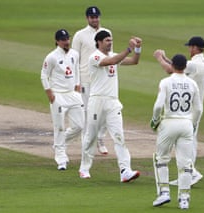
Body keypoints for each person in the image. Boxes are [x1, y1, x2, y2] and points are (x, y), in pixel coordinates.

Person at [78, 30, 142, 182]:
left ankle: (125, 170)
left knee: (119, 136)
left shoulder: (113, 55)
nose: (110, 42)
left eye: (111, 40)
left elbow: (134, 61)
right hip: (97, 101)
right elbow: (112, 61)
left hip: (113, 102)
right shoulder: (94, 57)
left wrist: (137, 48)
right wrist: (128, 48)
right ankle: (84, 168)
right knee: (91, 136)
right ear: (99, 42)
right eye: (107, 40)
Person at [153, 36, 204, 185]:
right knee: (191, 141)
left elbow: (171, 69)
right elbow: (179, 65)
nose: (189, 50)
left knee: (185, 143)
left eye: (190, 47)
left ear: (194, 47)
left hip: (186, 111)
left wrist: (160, 58)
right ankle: (189, 173)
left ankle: (191, 173)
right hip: (195, 109)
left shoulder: (195, 64)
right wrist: (166, 57)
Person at [150, 53, 203, 209]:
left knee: (161, 158)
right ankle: (184, 199)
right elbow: (198, 109)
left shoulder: (166, 82)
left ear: (172, 66)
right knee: (186, 163)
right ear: (185, 67)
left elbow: (159, 106)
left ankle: (164, 193)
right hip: (186, 124)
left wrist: (154, 120)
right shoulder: (192, 84)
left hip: (169, 122)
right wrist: (193, 124)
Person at [41, 29, 85, 170]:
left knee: (80, 126)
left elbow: (76, 70)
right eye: (63, 39)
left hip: (72, 94)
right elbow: (43, 75)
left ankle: (59, 144)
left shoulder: (74, 54)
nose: (66, 41)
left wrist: (78, 85)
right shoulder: (51, 57)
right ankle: (61, 159)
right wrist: (50, 93)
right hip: (58, 95)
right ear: (57, 41)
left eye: (67, 39)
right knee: (59, 127)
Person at [72, 6, 111, 155]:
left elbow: (110, 55)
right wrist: (76, 82)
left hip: (103, 80)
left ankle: (100, 139)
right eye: (92, 17)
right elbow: (74, 59)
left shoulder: (107, 33)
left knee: (106, 111)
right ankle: (87, 144)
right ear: (87, 18)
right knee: (87, 112)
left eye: (96, 17)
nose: (95, 19)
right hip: (86, 79)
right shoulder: (80, 35)